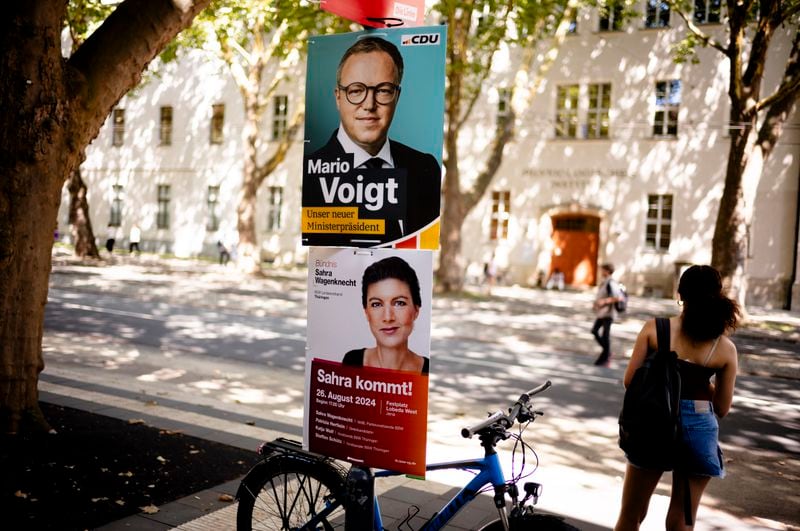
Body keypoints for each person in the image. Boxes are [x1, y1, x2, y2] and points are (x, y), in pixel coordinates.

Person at [615, 265, 740, 530]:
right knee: (682, 520)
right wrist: (700, 383)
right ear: (717, 296)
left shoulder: (654, 329)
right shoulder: (725, 348)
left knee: (631, 515)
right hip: (698, 429)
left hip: (653, 425)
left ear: (680, 293)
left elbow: (630, 382)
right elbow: (722, 407)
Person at [303, 36, 441, 245]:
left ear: (397, 96)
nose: (369, 104)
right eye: (356, 91)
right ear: (338, 97)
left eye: (383, 90)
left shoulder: (425, 168)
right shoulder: (309, 174)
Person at [342, 256, 429, 374]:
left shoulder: (428, 370)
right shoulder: (351, 362)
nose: (388, 317)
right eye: (376, 304)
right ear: (366, 312)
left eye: (399, 303)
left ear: (416, 310)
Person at [591, 263, 622, 366]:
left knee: (605, 335)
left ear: (608, 271)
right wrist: (596, 303)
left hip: (608, 313)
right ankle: (607, 353)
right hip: (602, 313)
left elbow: (617, 298)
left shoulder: (611, 283)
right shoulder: (605, 282)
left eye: (602, 270)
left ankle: (606, 356)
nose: (601, 272)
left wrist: (603, 302)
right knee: (595, 331)